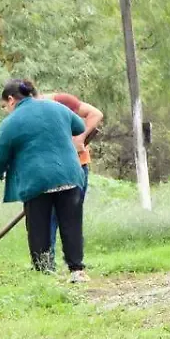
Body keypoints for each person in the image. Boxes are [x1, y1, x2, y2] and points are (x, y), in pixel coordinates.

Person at [0, 79, 88, 282]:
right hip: (69, 175)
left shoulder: (11, 122)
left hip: (37, 181)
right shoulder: (56, 107)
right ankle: (76, 270)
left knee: (38, 228)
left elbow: (1, 156)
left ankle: (45, 273)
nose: (5, 111)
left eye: (4, 107)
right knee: (71, 224)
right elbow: (79, 126)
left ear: (11, 100)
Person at [45, 91, 103, 264]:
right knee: (47, 218)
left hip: (76, 166)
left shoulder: (59, 101)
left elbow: (95, 113)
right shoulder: (25, 113)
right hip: (48, 170)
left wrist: (80, 138)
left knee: (70, 217)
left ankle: (75, 265)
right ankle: (47, 265)